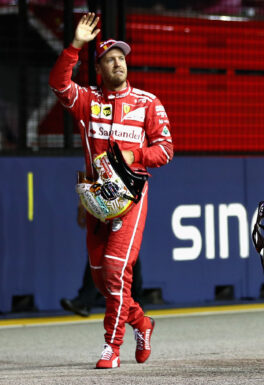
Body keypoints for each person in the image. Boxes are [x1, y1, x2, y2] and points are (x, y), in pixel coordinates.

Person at [49, 13, 173, 369]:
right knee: (103, 281)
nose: (118, 62)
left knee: (117, 272)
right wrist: (75, 46)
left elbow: (165, 150)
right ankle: (141, 322)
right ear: (100, 68)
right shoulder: (87, 101)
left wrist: (134, 154)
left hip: (131, 200)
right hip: (96, 203)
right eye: (109, 59)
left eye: (121, 57)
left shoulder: (148, 102)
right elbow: (58, 83)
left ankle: (111, 347)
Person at [60, 204, 144, 318]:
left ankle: (134, 301)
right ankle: (135, 301)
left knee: (123, 247)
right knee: (109, 248)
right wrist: (82, 205)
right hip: (104, 204)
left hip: (124, 201)